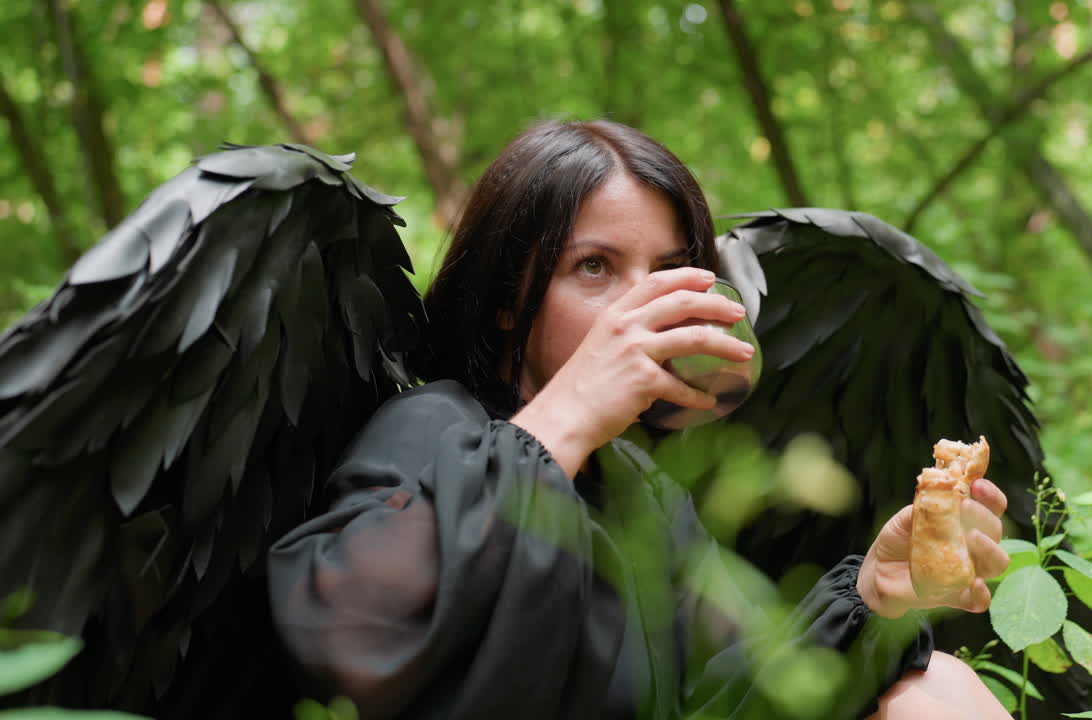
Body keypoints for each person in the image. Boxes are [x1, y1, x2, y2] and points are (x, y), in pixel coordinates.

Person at [267, 120, 1013, 720]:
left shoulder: (642, 487)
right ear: (505, 302)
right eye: (594, 266)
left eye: (665, 270)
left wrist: (873, 593)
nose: (641, 306)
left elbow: (729, 698)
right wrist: (564, 418)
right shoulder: (430, 426)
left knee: (933, 685)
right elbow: (345, 637)